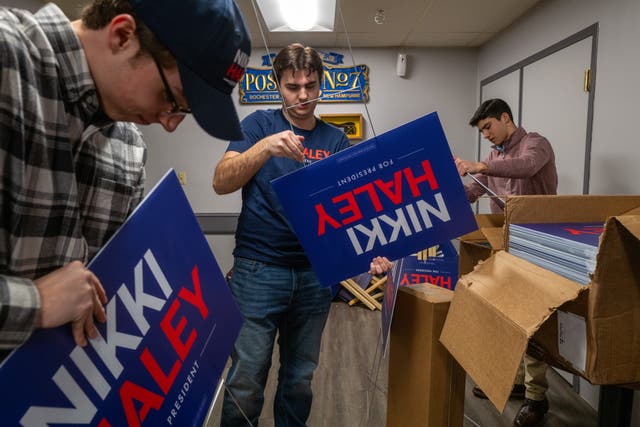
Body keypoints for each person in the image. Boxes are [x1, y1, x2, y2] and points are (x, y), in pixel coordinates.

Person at [0, 0, 250, 358]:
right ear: (121, 35)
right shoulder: (9, 63)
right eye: (171, 99)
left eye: (185, 113)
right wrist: (33, 304)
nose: (169, 123)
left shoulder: (129, 148)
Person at [213, 43, 392, 426]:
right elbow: (220, 181)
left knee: (299, 379)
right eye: (293, 87)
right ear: (278, 85)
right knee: (246, 378)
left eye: (311, 85)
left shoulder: (336, 141)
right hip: (258, 271)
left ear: (320, 83)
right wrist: (264, 148)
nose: (304, 96)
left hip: (315, 277)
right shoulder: (258, 126)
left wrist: (371, 253)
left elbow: (352, 216)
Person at [455, 98, 558, 427]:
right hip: (507, 245)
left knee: (533, 321)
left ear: (505, 118)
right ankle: (512, 382)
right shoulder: (493, 156)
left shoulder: (535, 144)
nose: (486, 135)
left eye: (488, 127)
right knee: (506, 315)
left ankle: (536, 399)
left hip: (540, 246)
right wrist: (441, 196)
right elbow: (474, 190)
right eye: (482, 131)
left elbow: (526, 166)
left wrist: (481, 166)